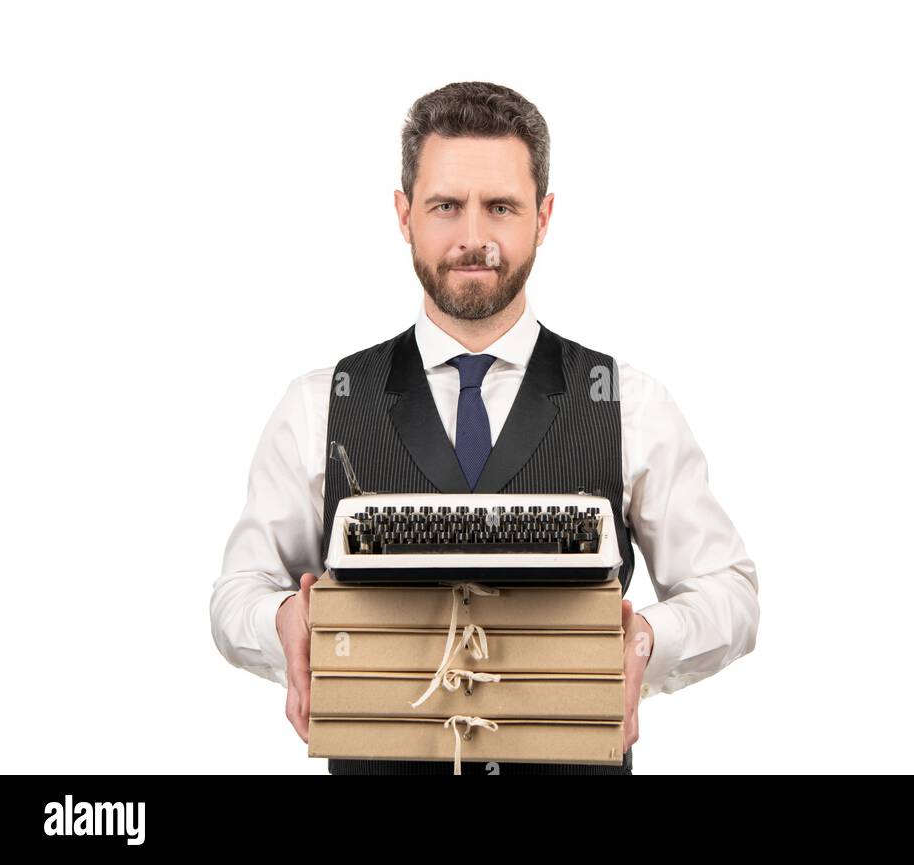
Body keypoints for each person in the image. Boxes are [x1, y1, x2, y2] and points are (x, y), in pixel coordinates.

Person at [210, 81, 760, 774]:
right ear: (404, 214)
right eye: (446, 206)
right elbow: (239, 591)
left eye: (501, 207)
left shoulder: (632, 404)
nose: (474, 239)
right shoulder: (318, 406)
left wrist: (646, 637)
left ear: (545, 216)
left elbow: (729, 590)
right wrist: (281, 619)